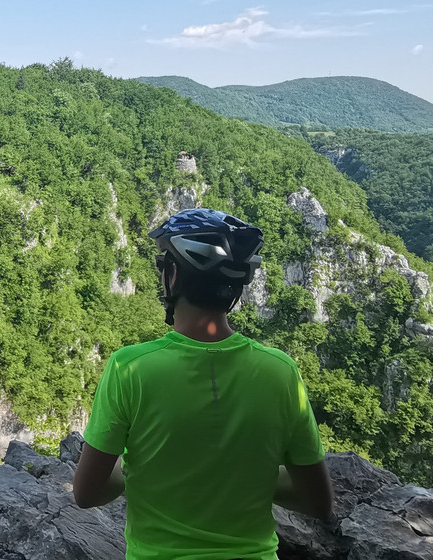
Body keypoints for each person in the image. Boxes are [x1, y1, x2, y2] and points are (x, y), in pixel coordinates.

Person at [72, 208, 333, 560]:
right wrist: (247, 477)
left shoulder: (129, 369)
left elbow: (87, 494)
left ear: (173, 275)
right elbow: (316, 501)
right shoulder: (280, 372)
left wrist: (138, 472)